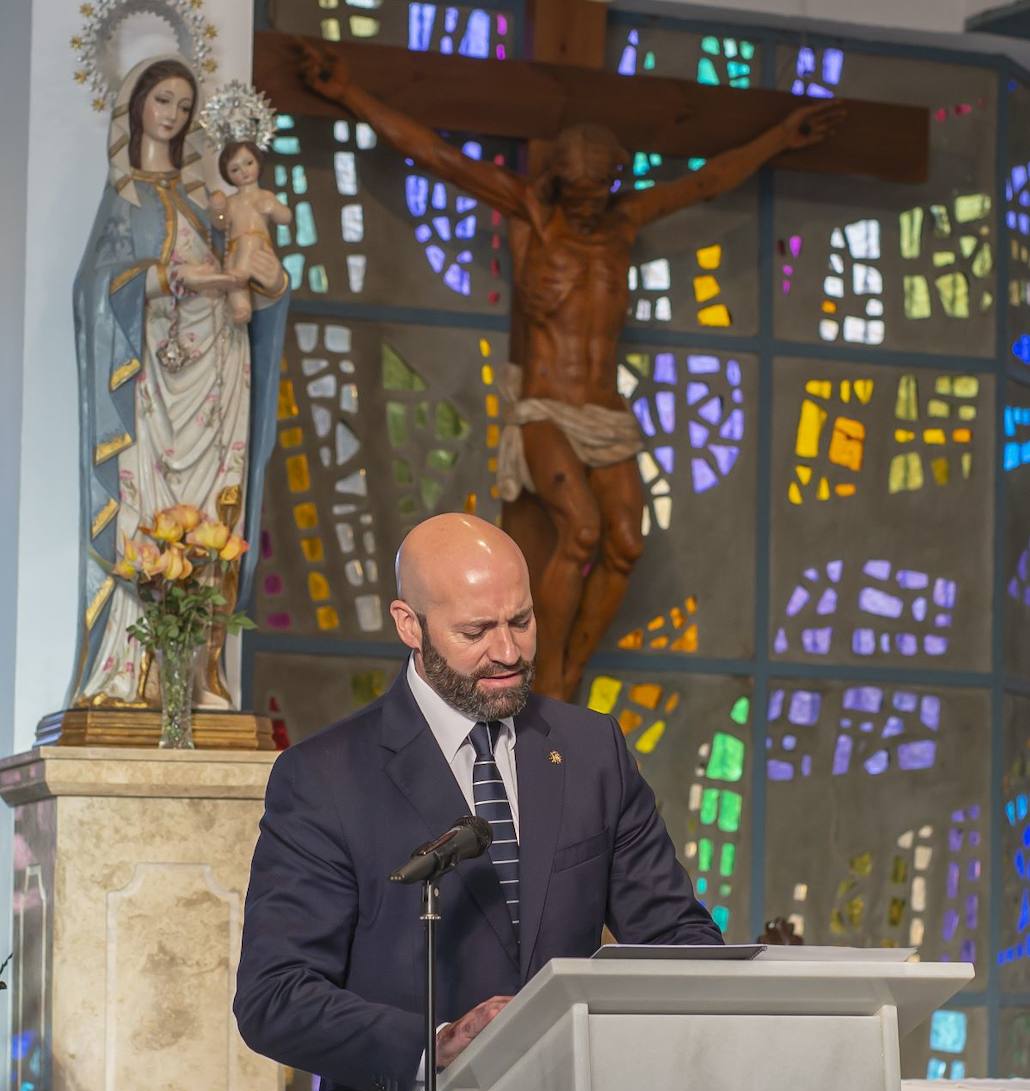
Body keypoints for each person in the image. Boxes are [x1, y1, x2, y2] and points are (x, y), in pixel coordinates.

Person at [234, 512, 722, 1091]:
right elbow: (274, 996)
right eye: (477, 630)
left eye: (522, 620)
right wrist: (435, 1047)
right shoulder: (323, 778)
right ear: (408, 625)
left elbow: (676, 937)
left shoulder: (591, 749)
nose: (509, 650)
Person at [297, 41, 844, 700]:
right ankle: (544, 672)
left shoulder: (623, 223)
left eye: (599, 191)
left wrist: (781, 138)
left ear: (614, 182)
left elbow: (707, 181)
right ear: (559, 181)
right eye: (578, 193)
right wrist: (348, 94)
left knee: (625, 543)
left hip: (605, 411)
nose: (588, 205)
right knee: (580, 529)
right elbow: (437, 155)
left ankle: (572, 666)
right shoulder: (537, 214)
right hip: (548, 408)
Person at [70, 57, 288, 710]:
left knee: (213, 514)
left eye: (184, 106)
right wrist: (167, 280)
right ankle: (127, 674)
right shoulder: (126, 197)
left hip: (217, 375)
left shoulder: (209, 200)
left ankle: (197, 678)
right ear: (136, 104)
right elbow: (93, 292)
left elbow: (256, 279)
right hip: (148, 388)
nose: (172, 115)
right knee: (143, 520)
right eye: (162, 100)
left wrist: (269, 280)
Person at [208, 139, 292, 326]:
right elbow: (220, 225)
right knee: (231, 268)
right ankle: (241, 308)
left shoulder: (265, 196)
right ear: (227, 175)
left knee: (247, 244)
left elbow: (286, 217)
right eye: (235, 169)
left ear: (258, 162)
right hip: (236, 250)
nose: (244, 171)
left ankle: (240, 273)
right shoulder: (232, 201)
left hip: (259, 247)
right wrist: (218, 210)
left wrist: (273, 208)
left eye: (248, 163)